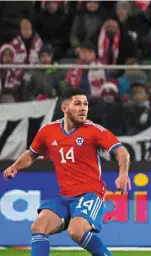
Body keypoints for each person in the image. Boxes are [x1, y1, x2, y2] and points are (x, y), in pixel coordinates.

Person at [3, 88, 131, 256]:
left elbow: (121, 151)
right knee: (38, 227)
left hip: (90, 194)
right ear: (64, 108)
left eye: (85, 104)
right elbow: (32, 154)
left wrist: (123, 174)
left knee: (76, 231)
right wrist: (15, 167)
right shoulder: (48, 132)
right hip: (65, 197)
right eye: (77, 104)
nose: (83, 108)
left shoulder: (94, 131)